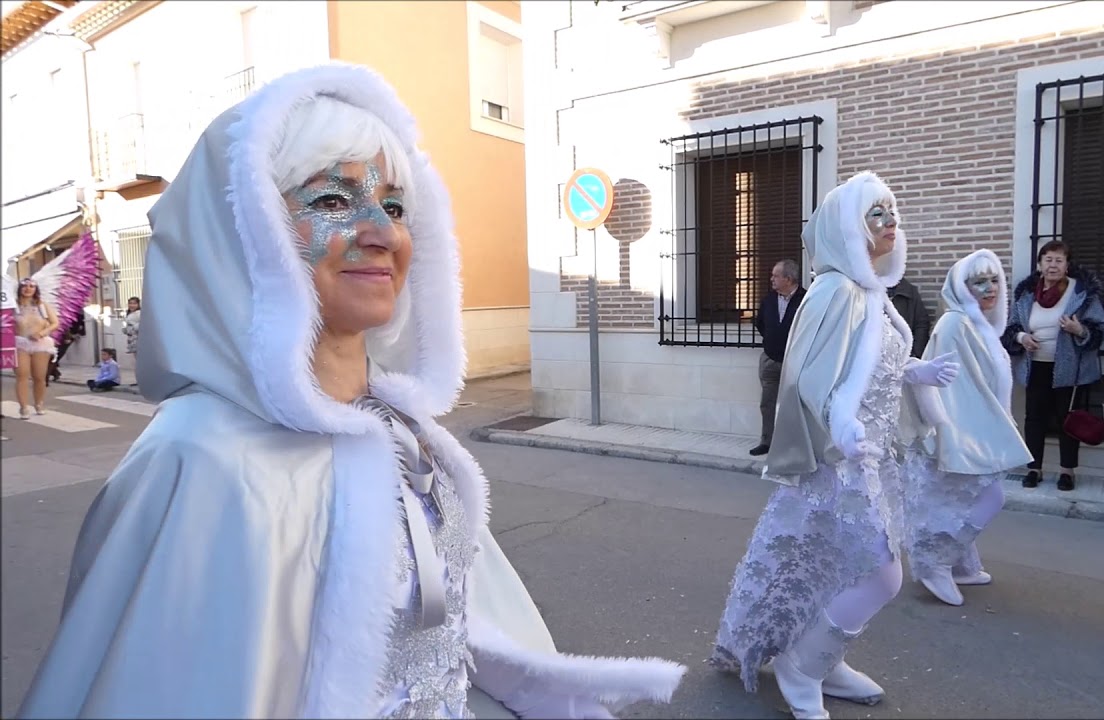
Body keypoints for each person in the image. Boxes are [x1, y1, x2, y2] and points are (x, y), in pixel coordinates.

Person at [18, 64, 686, 719]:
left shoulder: (407, 435)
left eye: (394, 206)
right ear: (249, 235)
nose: (382, 232)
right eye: (333, 200)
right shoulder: (194, 460)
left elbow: (459, 620)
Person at [709, 172, 959, 720]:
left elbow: (869, 368)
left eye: (892, 211)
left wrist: (915, 373)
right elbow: (806, 378)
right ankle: (803, 665)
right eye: (877, 214)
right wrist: (840, 425)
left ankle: (824, 657)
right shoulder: (834, 290)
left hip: (872, 461)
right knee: (881, 573)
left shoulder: (872, 294)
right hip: (839, 463)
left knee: (843, 568)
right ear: (849, 226)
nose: (891, 221)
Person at [901, 250, 1031, 607]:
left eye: (993, 280)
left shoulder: (981, 326)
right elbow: (947, 388)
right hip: (960, 435)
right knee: (989, 497)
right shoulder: (955, 324)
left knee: (966, 499)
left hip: (977, 433)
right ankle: (936, 561)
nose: (989, 288)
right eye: (979, 282)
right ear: (962, 287)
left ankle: (961, 565)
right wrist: (951, 438)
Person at [1002, 241, 1104, 492]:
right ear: (1040, 264)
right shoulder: (1026, 294)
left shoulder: (1081, 293)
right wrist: (1022, 338)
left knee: (1068, 420)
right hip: (1035, 365)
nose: (1053, 265)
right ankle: (1033, 468)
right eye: (1048, 260)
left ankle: (1067, 471)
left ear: (1067, 266)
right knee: (1034, 419)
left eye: (1059, 260)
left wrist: (1078, 329)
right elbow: (1012, 327)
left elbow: (1101, 329)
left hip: (1070, 369)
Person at [751, 258, 806, 456]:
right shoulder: (768, 300)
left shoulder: (806, 300)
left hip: (796, 362)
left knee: (795, 406)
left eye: (776, 275)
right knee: (767, 403)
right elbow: (761, 324)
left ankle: (795, 445)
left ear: (789, 278)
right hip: (770, 360)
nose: (771, 279)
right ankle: (767, 441)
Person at [12, 278, 58, 419]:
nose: (28, 289)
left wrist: (41, 333)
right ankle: (24, 407)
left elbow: (55, 323)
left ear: (36, 289)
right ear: (19, 288)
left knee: (39, 377)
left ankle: (39, 403)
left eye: (32, 286)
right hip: (19, 343)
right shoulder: (12, 305)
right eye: (25, 286)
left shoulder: (42, 305)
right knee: (22, 375)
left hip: (40, 344)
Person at [888, 276, 931, 358]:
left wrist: (915, 353)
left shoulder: (909, 292)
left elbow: (921, 324)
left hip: (904, 356)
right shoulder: (869, 293)